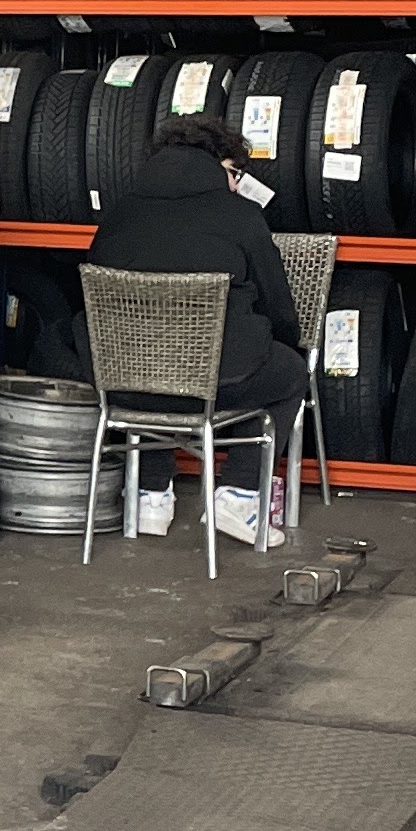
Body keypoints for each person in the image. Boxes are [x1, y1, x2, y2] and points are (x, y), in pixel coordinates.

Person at [87, 111, 308, 529]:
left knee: (149, 358)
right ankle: (239, 495)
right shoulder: (240, 216)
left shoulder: (119, 214)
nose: (236, 184)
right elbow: (278, 307)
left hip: (123, 386)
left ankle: (149, 497)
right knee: (290, 372)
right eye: (234, 172)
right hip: (216, 385)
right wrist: (276, 341)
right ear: (216, 164)